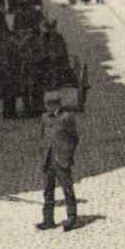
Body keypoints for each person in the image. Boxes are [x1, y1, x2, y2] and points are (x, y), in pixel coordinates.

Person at [35, 91, 79, 231]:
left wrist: (68, 155)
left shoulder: (66, 118)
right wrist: (43, 153)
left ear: (57, 104)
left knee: (67, 189)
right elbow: (42, 136)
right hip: (48, 159)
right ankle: (48, 219)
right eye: (47, 105)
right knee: (48, 190)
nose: (48, 107)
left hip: (61, 159)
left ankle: (71, 217)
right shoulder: (44, 118)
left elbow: (74, 138)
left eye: (51, 105)